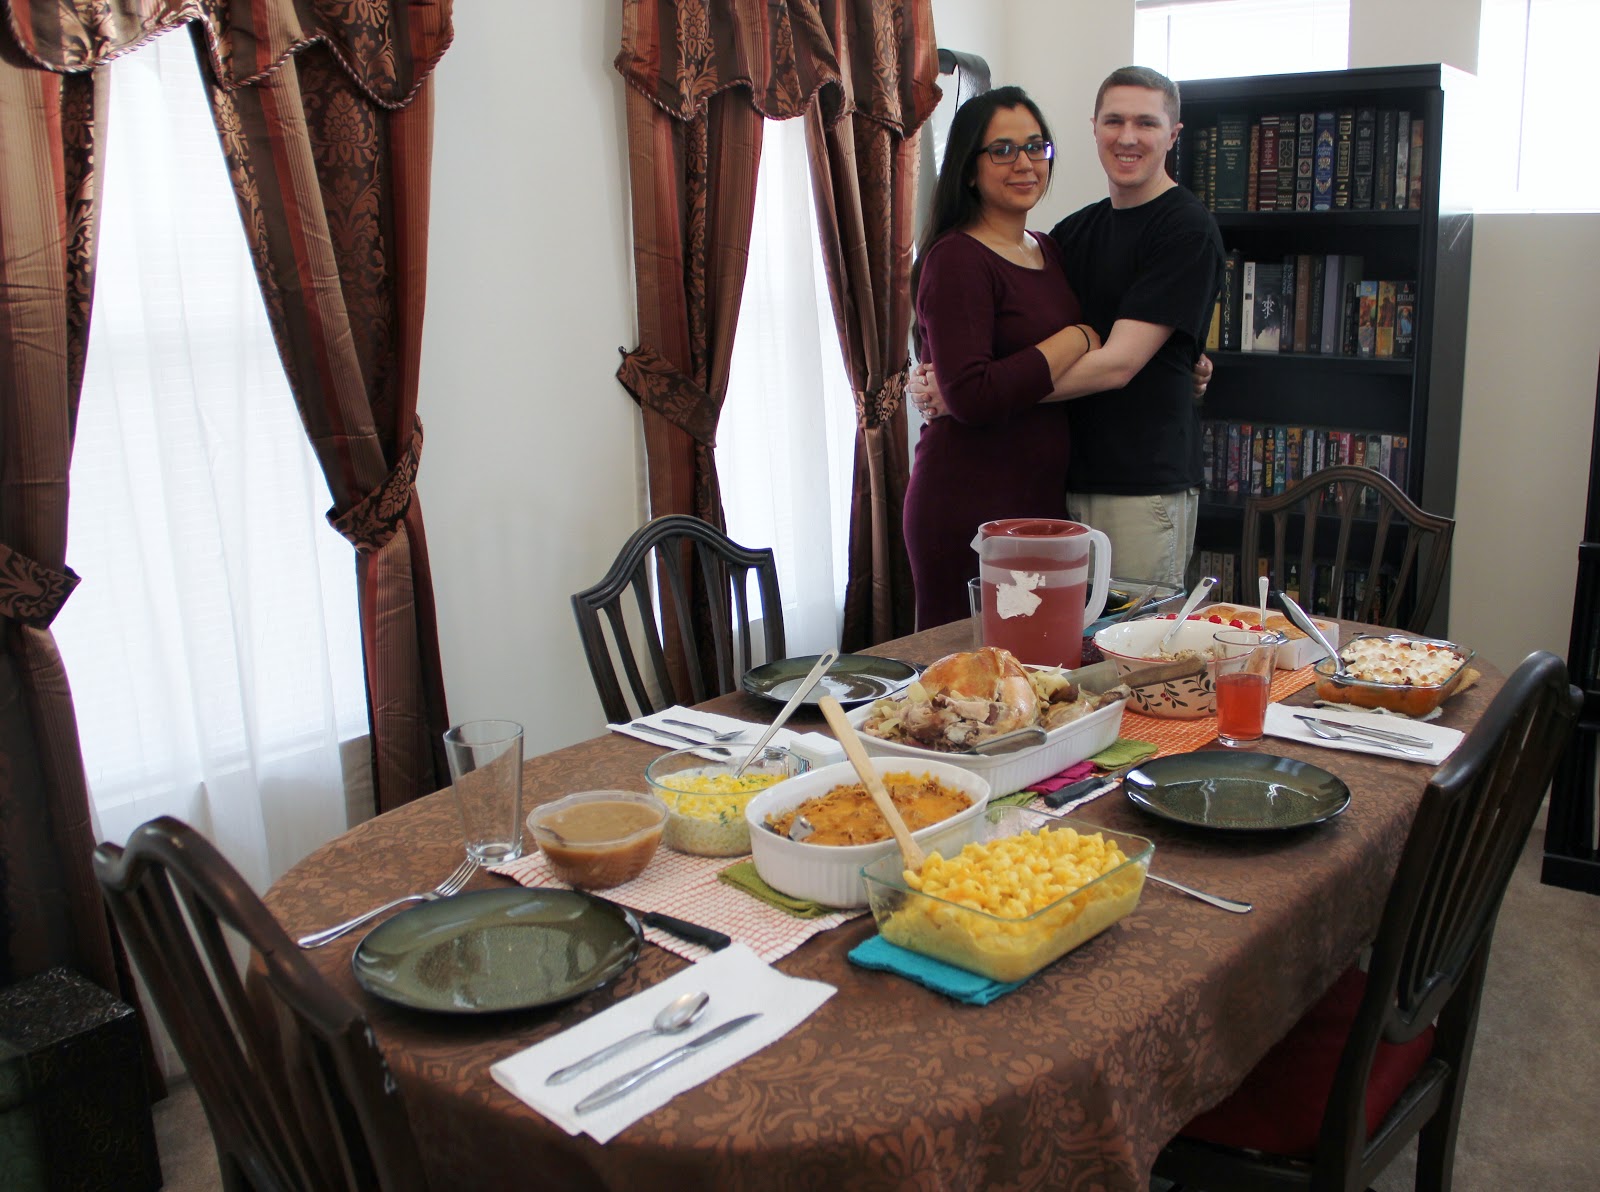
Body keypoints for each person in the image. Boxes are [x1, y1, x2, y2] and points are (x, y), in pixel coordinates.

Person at [911, 66, 1224, 589]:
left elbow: (1119, 363)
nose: (1128, 137)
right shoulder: (1067, 238)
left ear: (1173, 134)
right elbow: (1008, 338)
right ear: (1094, 128)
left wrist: (973, 393)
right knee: (1055, 659)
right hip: (1060, 482)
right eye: (1114, 120)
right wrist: (957, 383)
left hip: (1137, 484)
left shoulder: (1185, 228)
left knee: (1128, 657)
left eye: (1146, 123)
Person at [902, 86, 1103, 629]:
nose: (1025, 163)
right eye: (1003, 150)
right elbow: (973, 395)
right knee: (966, 682)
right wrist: (1077, 336)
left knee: (1038, 673)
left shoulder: (1048, 248)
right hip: (968, 501)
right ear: (969, 169)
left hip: (1038, 501)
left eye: (1037, 147)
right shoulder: (957, 259)